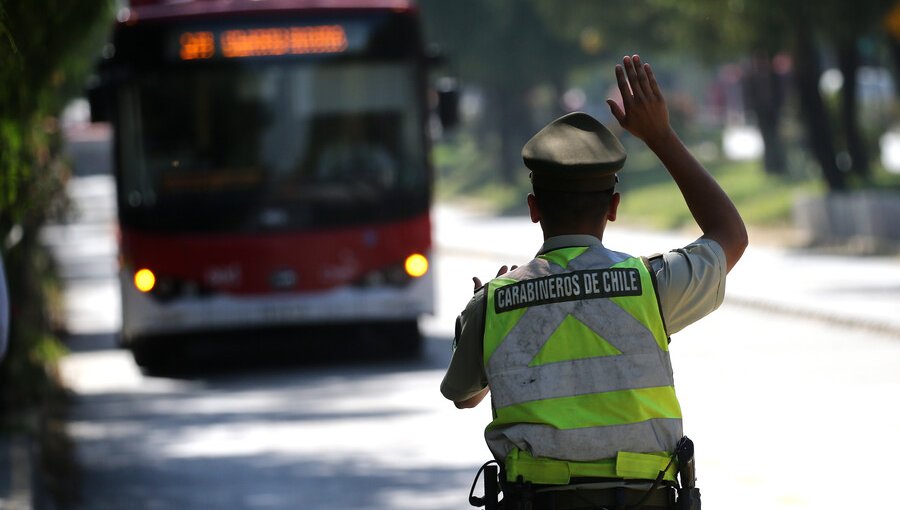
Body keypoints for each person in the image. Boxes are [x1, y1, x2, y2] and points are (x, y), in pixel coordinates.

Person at [440, 55, 748, 509]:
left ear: (533, 207)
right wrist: (660, 137)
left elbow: (464, 397)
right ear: (614, 206)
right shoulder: (651, 285)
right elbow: (730, 235)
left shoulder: (494, 304)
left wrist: (484, 318)